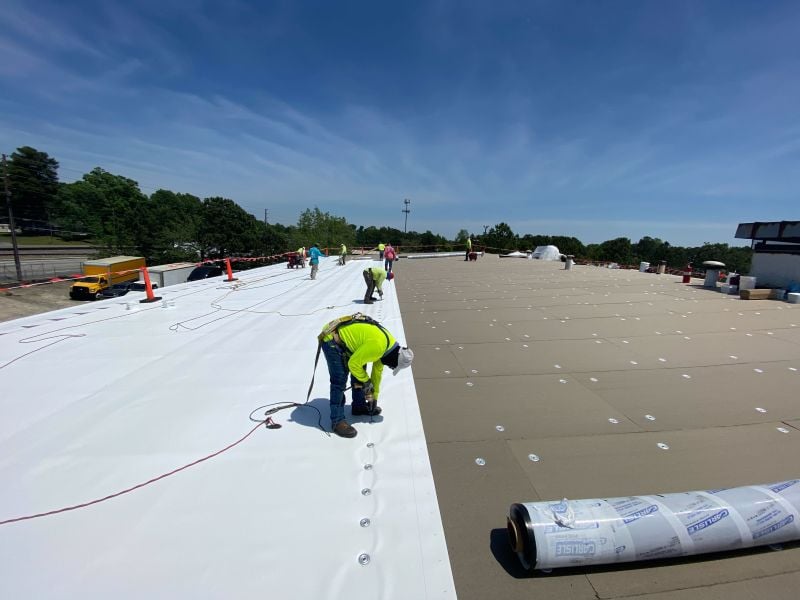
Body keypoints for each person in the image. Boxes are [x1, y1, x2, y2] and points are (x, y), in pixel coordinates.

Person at [319, 314, 414, 438]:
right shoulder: (378, 347)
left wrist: (373, 397)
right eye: (393, 366)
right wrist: (367, 382)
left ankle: (359, 406)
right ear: (394, 360)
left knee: (360, 375)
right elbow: (353, 364)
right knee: (339, 380)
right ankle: (337, 421)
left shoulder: (388, 348)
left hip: (349, 343)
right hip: (331, 338)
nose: (391, 367)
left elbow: (377, 373)